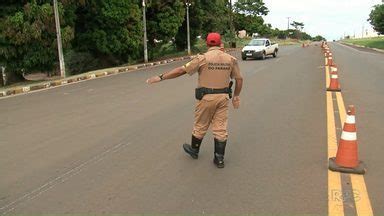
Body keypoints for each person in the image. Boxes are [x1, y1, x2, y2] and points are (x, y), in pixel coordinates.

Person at [146, 32, 243, 168]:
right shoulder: (230, 59)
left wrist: (161, 77)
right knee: (220, 127)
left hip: (206, 98)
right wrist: (237, 96)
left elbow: (181, 70)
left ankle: (194, 150)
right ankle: (219, 158)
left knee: (200, 124)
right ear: (221, 43)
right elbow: (239, 79)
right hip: (223, 98)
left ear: (207, 43)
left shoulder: (202, 58)